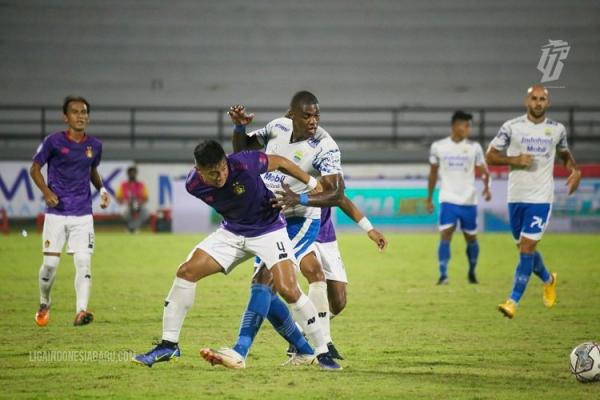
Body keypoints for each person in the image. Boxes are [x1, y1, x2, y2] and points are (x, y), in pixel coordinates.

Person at [132, 140, 341, 370]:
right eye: (213, 173)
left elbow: (280, 162)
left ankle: (322, 352)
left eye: (222, 169)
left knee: (288, 289)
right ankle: (168, 345)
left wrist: (311, 181)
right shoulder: (193, 185)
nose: (220, 176)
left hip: (268, 230)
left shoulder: (244, 163)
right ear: (198, 171)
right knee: (186, 271)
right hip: (232, 232)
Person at [204, 91, 348, 366]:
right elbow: (243, 150)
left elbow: (337, 194)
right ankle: (307, 350)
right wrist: (239, 127)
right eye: (307, 115)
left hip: (300, 219)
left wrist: (301, 198)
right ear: (291, 114)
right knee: (270, 288)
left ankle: (240, 352)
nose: (313, 121)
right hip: (267, 218)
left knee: (265, 281)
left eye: (316, 115)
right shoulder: (277, 127)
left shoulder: (325, 146)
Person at [486, 85, 581, 318]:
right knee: (523, 248)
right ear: (526, 101)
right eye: (534, 99)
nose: (538, 103)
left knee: (527, 247)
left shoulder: (557, 129)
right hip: (516, 197)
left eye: (542, 99)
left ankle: (513, 301)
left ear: (547, 103)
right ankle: (549, 279)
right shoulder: (512, 127)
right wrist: (515, 159)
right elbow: (490, 156)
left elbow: (564, 154)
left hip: (540, 198)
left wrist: (574, 170)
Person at [30, 95, 110, 327]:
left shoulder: (94, 146)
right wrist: (46, 192)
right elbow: (35, 169)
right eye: (75, 112)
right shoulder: (53, 142)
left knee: (84, 262)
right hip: (56, 214)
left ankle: (81, 311)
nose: (80, 116)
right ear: (66, 117)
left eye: (84, 111)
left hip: (83, 214)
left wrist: (102, 189)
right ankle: (45, 302)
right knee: (50, 266)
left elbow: (92, 170)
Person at [426, 111, 491, 285]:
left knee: (471, 238)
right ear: (455, 125)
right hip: (448, 198)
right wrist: (429, 197)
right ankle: (443, 274)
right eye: (465, 125)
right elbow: (432, 173)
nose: (468, 129)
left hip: (469, 200)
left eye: (469, 126)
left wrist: (487, 187)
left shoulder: (474, 147)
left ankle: (472, 271)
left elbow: (484, 170)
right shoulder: (439, 146)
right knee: (445, 234)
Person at [116, 165, 149, 233]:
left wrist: (139, 202)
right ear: (128, 174)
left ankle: (132, 228)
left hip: (138, 204)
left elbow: (146, 198)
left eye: (134, 172)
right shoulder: (123, 185)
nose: (132, 174)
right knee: (124, 212)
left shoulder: (141, 185)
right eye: (130, 173)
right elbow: (118, 198)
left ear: (136, 174)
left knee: (145, 212)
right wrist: (126, 202)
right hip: (127, 204)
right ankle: (131, 228)